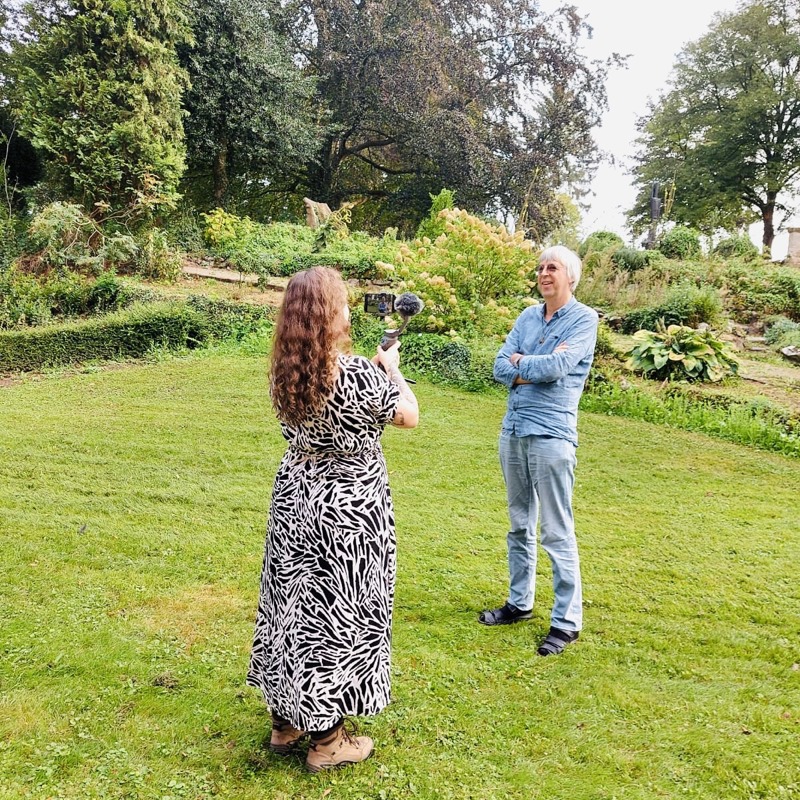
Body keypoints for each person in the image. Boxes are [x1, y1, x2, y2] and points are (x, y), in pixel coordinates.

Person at [247, 266, 419, 773]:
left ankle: (286, 722)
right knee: (338, 618)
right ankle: (328, 741)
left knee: (291, 608)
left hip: (296, 499)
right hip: (349, 510)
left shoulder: (287, 370)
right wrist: (392, 369)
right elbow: (408, 414)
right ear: (331, 312)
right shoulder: (361, 376)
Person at [479, 245, 598, 656]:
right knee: (518, 523)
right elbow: (498, 367)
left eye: (554, 268)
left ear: (571, 277)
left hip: (551, 435)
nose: (545, 273)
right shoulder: (528, 317)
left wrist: (522, 364)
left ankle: (567, 622)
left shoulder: (584, 319)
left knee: (556, 530)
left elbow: (556, 369)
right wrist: (529, 365)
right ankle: (520, 603)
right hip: (513, 431)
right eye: (541, 267)